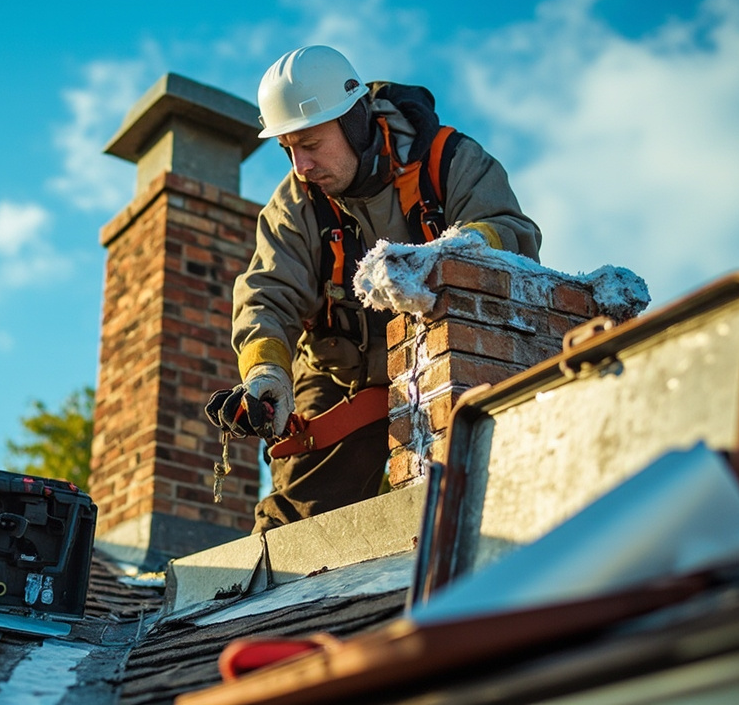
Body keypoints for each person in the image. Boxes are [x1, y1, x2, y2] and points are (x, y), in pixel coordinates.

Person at [206, 45, 541, 533]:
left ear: (355, 121)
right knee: (301, 525)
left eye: (310, 143)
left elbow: (513, 234)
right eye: (287, 149)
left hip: (447, 358)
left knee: (482, 503)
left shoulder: (448, 161)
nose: (300, 165)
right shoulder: (294, 205)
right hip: (336, 375)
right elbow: (266, 295)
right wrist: (266, 372)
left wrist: (453, 254)